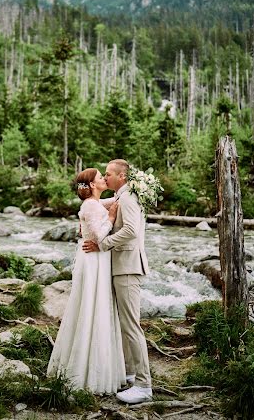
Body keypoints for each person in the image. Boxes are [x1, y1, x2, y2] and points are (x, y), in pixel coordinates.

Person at [47, 168, 126, 394]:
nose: (103, 179)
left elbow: (115, 198)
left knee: (97, 306)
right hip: (93, 261)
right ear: (92, 185)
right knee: (92, 306)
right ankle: (86, 370)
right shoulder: (90, 205)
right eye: (100, 177)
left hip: (97, 260)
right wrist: (111, 217)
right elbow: (99, 235)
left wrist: (133, 188)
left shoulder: (96, 202)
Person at [82, 159, 152, 404]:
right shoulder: (122, 196)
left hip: (128, 267)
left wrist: (103, 243)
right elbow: (93, 205)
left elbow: (131, 230)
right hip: (121, 267)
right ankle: (131, 373)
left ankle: (144, 385)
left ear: (122, 176)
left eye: (109, 174)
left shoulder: (130, 197)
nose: (106, 177)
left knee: (132, 326)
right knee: (125, 325)